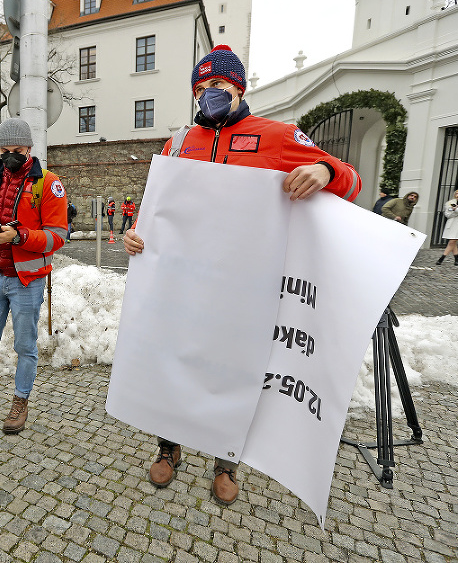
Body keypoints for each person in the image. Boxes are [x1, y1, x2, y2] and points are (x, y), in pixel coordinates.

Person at [124, 44, 362, 506]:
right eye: (201, 88)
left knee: (231, 369)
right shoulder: (179, 142)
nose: (209, 94)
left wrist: (322, 168)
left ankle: (225, 459)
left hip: (241, 288)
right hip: (181, 283)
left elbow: (349, 181)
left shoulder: (276, 135)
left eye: (218, 86)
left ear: (237, 88)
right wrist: (138, 233)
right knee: (171, 360)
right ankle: (168, 448)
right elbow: (157, 206)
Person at [0, 117, 68, 434]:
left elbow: (57, 235)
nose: (10, 157)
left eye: (17, 150)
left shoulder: (48, 183)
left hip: (27, 280)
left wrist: (18, 237)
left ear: (30, 149)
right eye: (4, 150)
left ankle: (20, 400)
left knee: (25, 346)